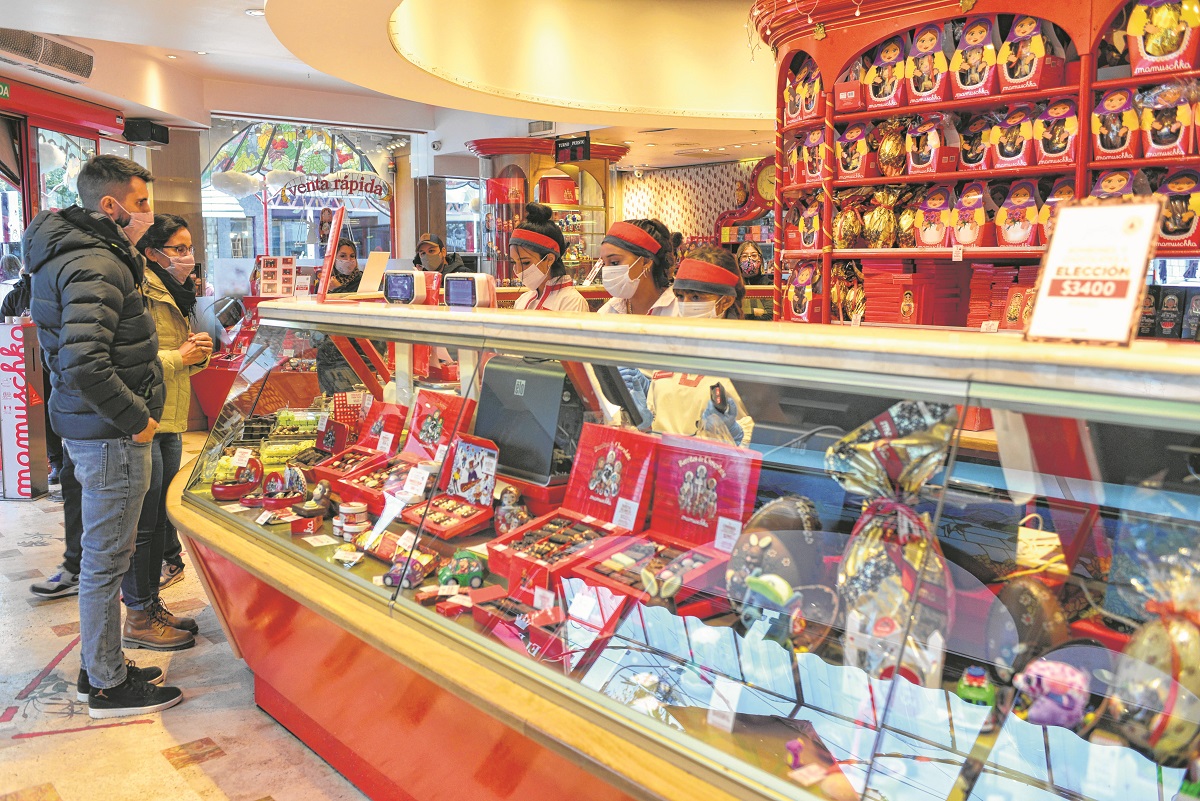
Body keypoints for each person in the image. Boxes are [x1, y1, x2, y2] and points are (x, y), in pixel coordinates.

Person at [24, 154, 181, 718]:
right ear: (110, 205)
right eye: (141, 203)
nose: (148, 213)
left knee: (104, 557)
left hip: (92, 429)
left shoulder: (76, 251)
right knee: (107, 561)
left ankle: (101, 664)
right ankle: (109, 687)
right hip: (111, 435)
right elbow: (85, 363)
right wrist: (137, 419)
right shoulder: (95, 262)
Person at [119, 214, 212, 650]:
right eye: (179, 249)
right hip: (147, 419)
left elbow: (177, 354)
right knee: (143, 525)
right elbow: (130, 361)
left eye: (190, 248)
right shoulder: (140, 289)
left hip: (170, 416)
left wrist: (199, 353)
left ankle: (151, 605)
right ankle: (138, 616)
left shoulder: (175, 291)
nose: (187, 257)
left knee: (158, 521)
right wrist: (180, 356)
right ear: (153, 252)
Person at [629, 247, 755, 446]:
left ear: (725, 302)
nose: (685, 304)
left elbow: (767, 434)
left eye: (696, 297)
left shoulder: (746, 356)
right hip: (663, 460)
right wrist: (641, 416)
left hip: (713, 462)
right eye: (680, 296)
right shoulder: (670, 351)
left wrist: (736, 434)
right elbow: (655, 418)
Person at [510, 203, 588, 312]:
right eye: (514, 262)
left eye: (525, 262)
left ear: (549, 259)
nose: (518, 271)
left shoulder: (572, 302)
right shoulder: (522, 300)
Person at [597, 219, 677, 316]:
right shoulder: (609, 311)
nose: (606, 270)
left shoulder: (678, 311)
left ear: (646, 261)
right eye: (604, 263)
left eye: (614, 262)